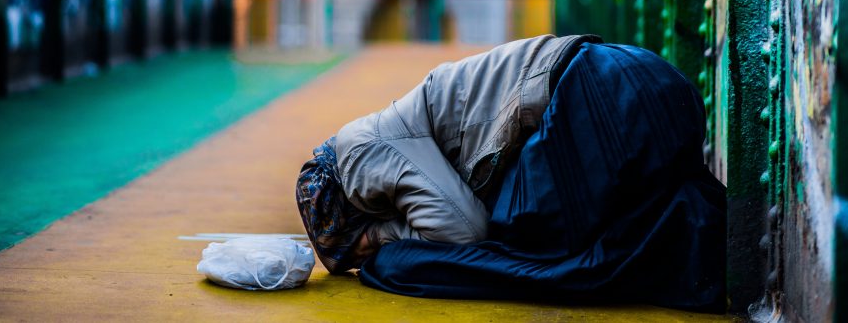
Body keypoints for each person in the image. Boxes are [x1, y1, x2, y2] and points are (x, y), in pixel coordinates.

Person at [295, 34, 726, 311]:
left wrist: (381, 240)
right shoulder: (396, 128)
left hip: (597, 96)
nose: (357, 260)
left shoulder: (356, 150)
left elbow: (465, 232)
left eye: (353, 250)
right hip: (646, 88)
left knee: (516, 235)